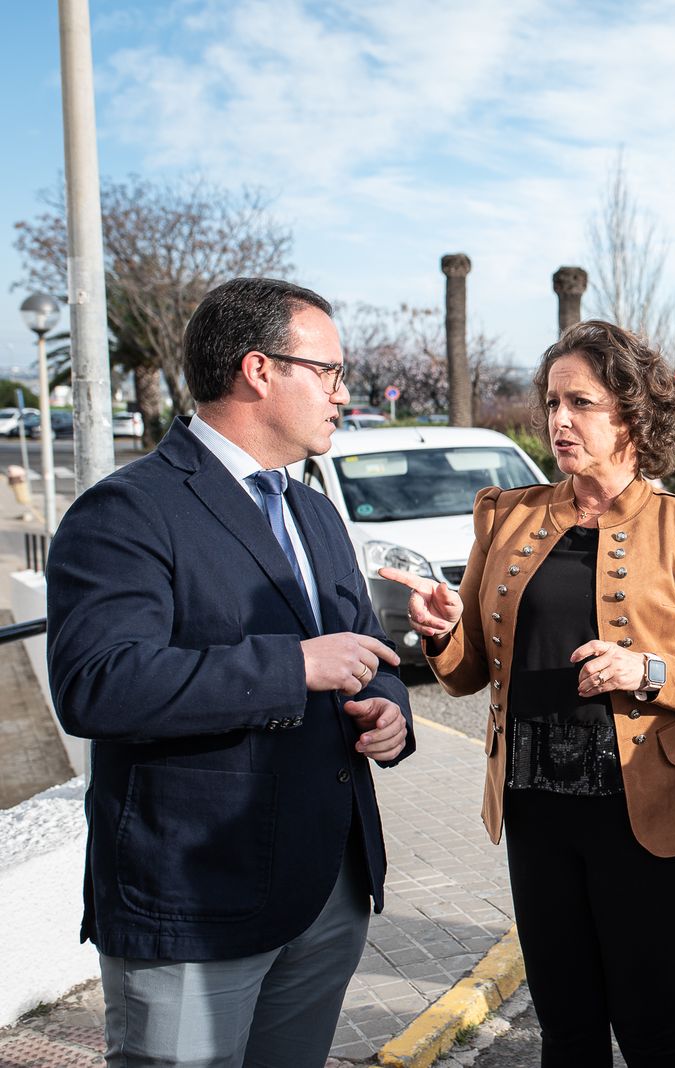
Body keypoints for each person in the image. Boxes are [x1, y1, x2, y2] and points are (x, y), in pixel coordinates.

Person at [46, 277, 414, 1066]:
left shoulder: (314, 510)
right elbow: (98, 682)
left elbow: (359, 647)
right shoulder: (128, 511)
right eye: (330, 372)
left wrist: (390, 711)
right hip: (195, 905)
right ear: (259, 370)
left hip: (329, 890)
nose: (343, 394)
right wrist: (292, 667)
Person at [382, 320, 675, 1068]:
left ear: (631, 414)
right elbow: (463, 676)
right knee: (566, 1026)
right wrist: (441, 628)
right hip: (536, 807)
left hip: (647, 812)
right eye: (552, 403)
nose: (559, 421)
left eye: (580, 403)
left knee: (649, 1028)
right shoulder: (508, 515)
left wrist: (645, 672)